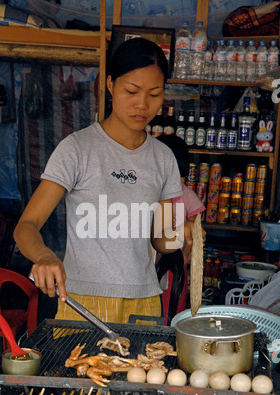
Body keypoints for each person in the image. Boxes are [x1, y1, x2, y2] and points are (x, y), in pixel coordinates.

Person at [14, 37, 195, 324]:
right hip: (83, 300)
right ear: (110, 85)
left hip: (145, 301)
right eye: (131, 91)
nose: (142, 105)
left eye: (155, 94)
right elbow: (26, 226)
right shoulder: (78, 149)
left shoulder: (163, 158)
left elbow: (163, 242)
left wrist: (182, 232)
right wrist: (44, 256)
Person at [157, 134, 206, 320]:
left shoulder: (186, 194)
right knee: (153, 308)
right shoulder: (151, 193)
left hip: (176, 264)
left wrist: (185, 256)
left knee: (173, 309)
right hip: (149, 264)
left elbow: (197, 230)